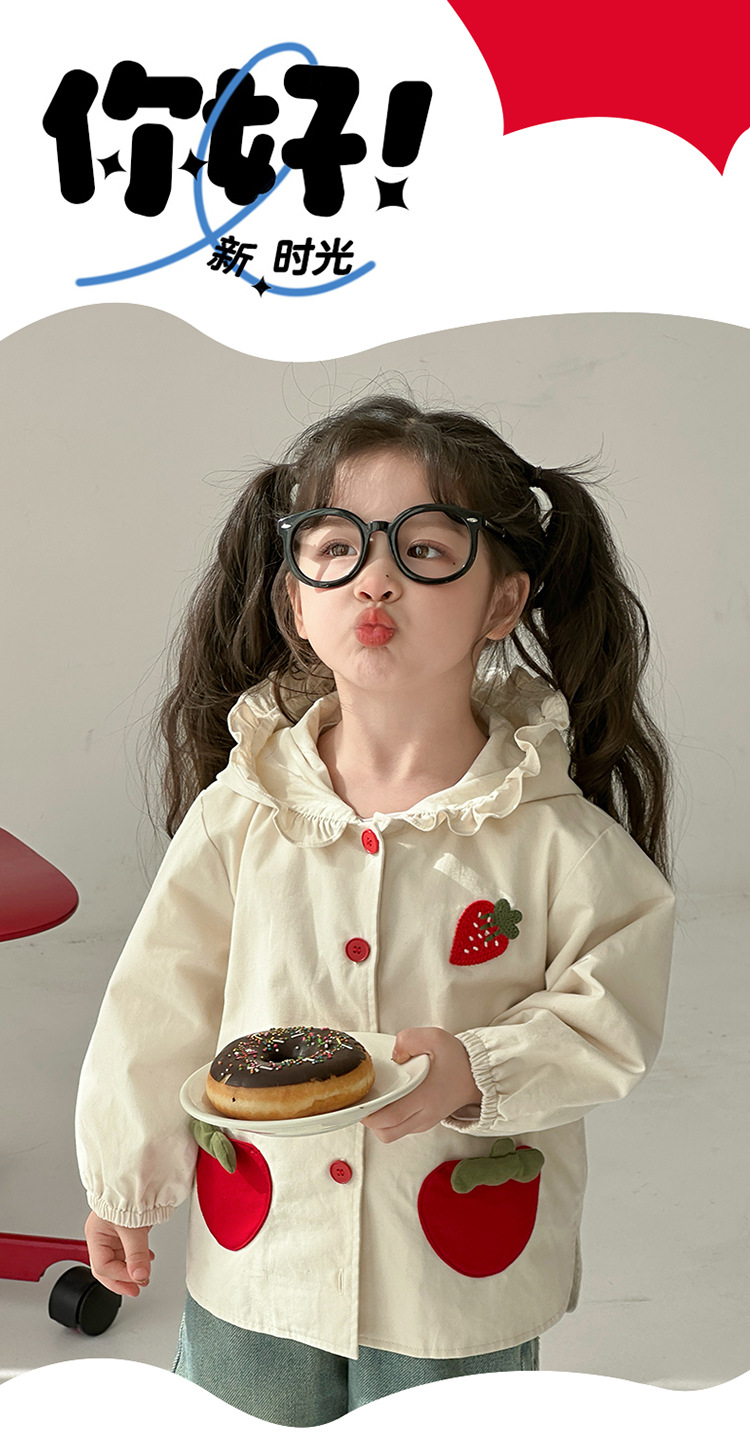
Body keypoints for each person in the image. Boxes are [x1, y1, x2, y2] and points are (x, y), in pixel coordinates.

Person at [76, 394, 676, 1425]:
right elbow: (159, 1002)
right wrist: (124, 1186)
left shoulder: (554, 836)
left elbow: (610, 1010)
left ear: (503, 600)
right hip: (263, 1255)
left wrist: (477, 1067)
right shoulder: (243, 814)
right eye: (336, 547)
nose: (376, 577)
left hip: (451, 1280)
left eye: (426, 547)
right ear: (294, 601)